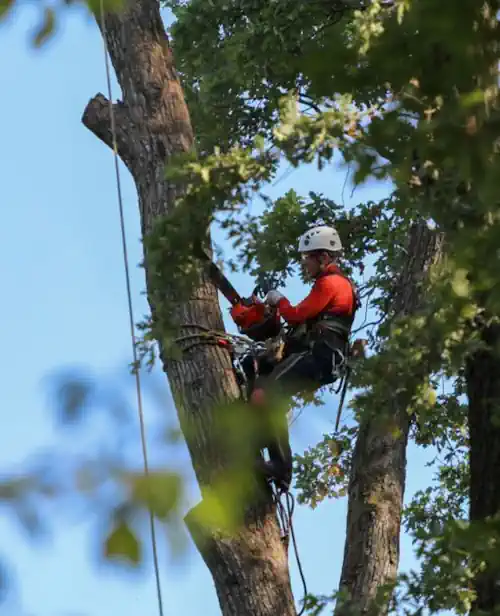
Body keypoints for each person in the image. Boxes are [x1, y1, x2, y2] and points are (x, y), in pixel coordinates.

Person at [230, 225, 359, 490]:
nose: (305, 264)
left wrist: (279, 301)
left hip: (322, 354)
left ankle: (281, 466)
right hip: (316, 352)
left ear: (323, 257)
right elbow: (300, 326)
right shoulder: (331, 284)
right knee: (259, 373)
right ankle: (257, 445)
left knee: (271, 390)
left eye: (308, 258)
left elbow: (296, 315)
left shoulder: (332, 283)